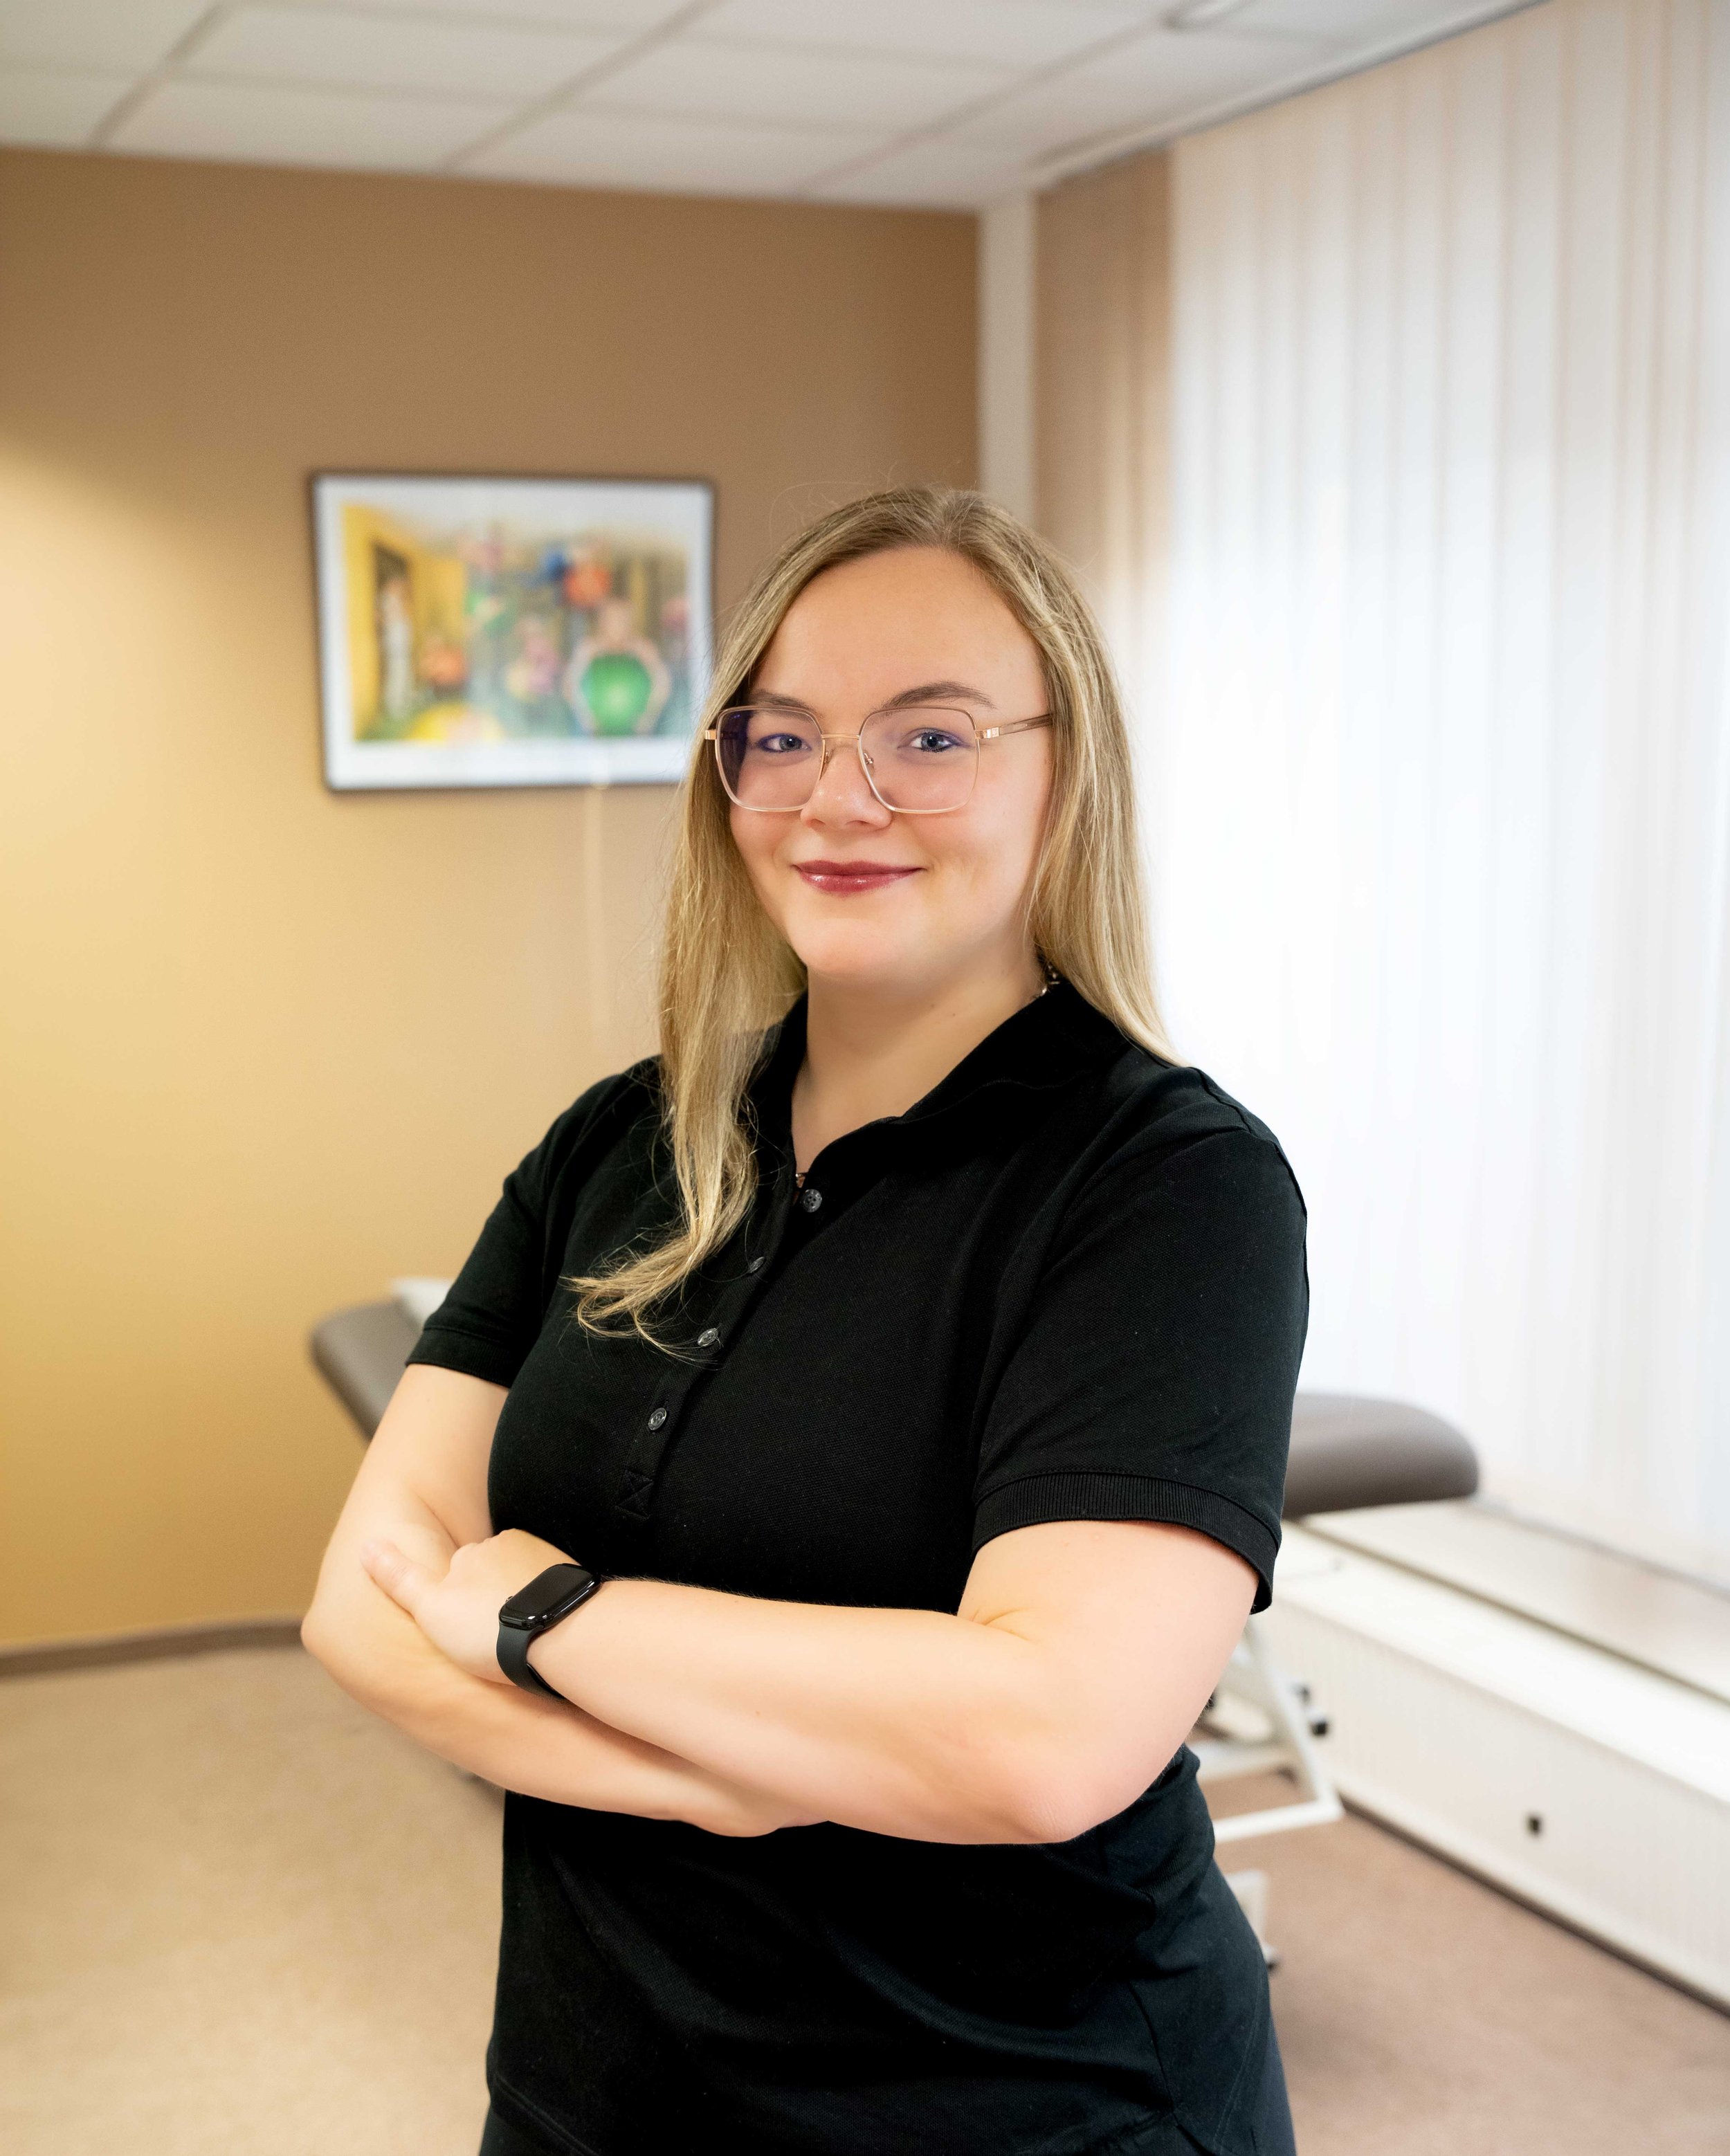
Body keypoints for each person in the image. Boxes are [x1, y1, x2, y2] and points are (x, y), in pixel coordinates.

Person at [302, 486, 1309, 2156]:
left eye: (931, 735)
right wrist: (729, 1778)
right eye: (780, 737)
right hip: (599, 2082)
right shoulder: (620, 1139)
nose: (838, 799)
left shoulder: (1168, 1188)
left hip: (1015, 2102)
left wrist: (538, 1610)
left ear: (1066, 770)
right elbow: (357, 1603)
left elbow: (1043, 1739)